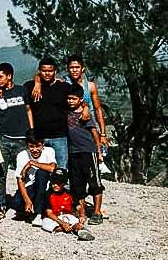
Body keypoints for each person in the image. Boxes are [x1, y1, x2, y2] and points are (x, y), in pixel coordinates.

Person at [0, 62, 33, 215]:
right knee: (1, 174)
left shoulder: (22, 90)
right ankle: (1, 205)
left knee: (24, 173)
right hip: (4, 139)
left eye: (0, 76)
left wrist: (31, 131)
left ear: (9, 76)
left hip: (22, 139)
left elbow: (28, 110)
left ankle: (25, 203)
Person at [65, 82, 105, 225]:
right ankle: (81, 212)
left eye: (73, 99)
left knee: (94, 182)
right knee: (77, 184)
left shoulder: (85, 115)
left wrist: (99, 150)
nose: (70, 101)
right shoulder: (66, 112)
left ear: (81, 99)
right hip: (73, 152)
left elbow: (94, 133)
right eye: (69, 98)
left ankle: (97, 212)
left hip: (89, 151)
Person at [26, 57, 71, 169]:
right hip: (39, 138)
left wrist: (85, 108)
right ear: (39, 71)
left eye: (50, 71)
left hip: (60, 136)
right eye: (44, 70)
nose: (47, 73)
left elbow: (77, 101)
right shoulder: (30, 86)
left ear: (55, 71)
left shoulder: (64, 87)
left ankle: (63, 186)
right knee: (38, 170)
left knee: (61, 169)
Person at [13, 130, 57, 226]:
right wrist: (27, 200)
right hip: (31, 187)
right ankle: (32, 208)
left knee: (41, 173)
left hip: (45, 187)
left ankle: (38, 213)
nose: (35, 149)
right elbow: (20, 179)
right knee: (16, 203)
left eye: (38, 146)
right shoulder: (22, 155)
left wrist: (32, 163)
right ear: (27, 146)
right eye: (31, 147)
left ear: (42, 145)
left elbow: (52, 168)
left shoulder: (49, 151)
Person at [42, 168, 95, 241]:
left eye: (59, 183)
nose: (55, 185)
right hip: (54, 217)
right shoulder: (48, 194)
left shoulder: (69, 193)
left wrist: (82, 216)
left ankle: (80, 230)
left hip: (66, 215)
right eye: (53, 182)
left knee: (75, 221)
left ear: (64, 183)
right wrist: (62, 223)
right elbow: (49, 213)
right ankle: (71, 228)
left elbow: (79, 207)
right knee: (46, 224)